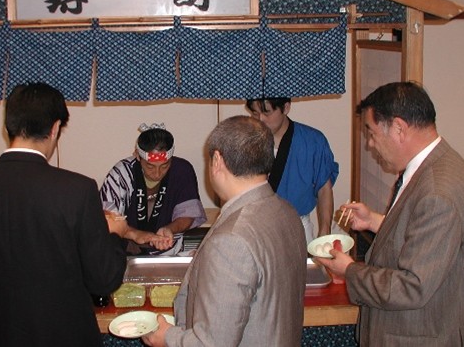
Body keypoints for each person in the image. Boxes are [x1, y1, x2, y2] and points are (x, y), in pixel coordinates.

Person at [0, 83, 128, 347]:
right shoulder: (77, 190)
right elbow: (103, 281)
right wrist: (115, 235)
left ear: (8, 126)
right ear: (54, 128)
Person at [318, 82, 464, 346]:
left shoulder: (437, 190)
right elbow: (426, 236)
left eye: (372, 133)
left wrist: (349, 270)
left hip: (415, 335)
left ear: (398, 128)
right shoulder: (437, 165)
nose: (370, 144)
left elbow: (412, 287)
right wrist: (374, 221)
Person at [143, 116, 307, 347]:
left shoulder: (230, 241)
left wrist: (167, 337)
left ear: (217, 160)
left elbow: (213, 342)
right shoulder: (287, 211)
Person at [100, 123, 207, 255]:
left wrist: (169, 229)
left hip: (169, 250)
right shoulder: (121, 173)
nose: (157, 174)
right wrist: (135, 234)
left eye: (164, 166)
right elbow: (108, 217)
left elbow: (188, 213)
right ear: (137, 155)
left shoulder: (182, 170)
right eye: (150, 167)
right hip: (125, 250)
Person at [246, 97, 338, 242]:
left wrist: (324, 231)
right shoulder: (246, 142)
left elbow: (324, 189)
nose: (261, 119)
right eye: (255, 113)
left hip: (297, 226)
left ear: (286, 107)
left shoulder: (313, 140)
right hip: (255, 227)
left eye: (267, 112)